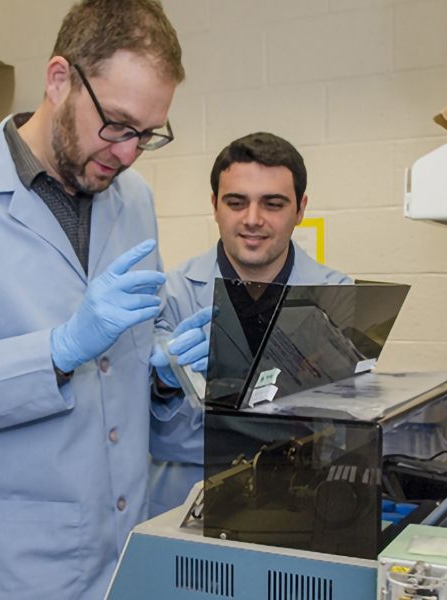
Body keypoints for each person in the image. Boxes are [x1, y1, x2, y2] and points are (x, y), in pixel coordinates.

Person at [0, 1, 206, 597]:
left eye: (147, 134)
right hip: (12, 563)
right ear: (60, 79)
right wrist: (58, 350)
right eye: (116, 123)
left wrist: (162, 376)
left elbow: (131, 350)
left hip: (123, 544)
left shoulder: (131, 199)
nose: (129, 151)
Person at [147, 132, 354, 517]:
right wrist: (165, 382)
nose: (253, 219)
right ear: (215, 206)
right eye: (236, 202)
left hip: (298, 498)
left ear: (300, 208)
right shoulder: (171, 292)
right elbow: (150, 426)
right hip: (184, 500)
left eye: (272, 204)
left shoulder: (336, 294)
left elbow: (342, 426)